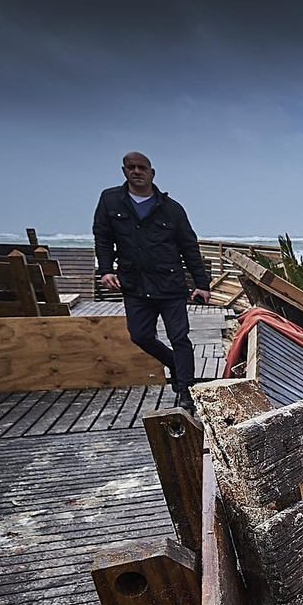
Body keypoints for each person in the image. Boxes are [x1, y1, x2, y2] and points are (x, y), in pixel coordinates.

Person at [93, 151, 211, 413]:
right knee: (140, 335)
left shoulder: (172, 209)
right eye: (131, 167)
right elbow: (102, 237)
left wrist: (202, 284)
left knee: (179, 337)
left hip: (170, 284)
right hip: (134, 284)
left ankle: (185, 391)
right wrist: (105, 270)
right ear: (124, 171)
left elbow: (189, 247)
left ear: (151, 173)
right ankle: (175, 365)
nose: (137, 171)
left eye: (142, 168)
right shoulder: (111, 201)